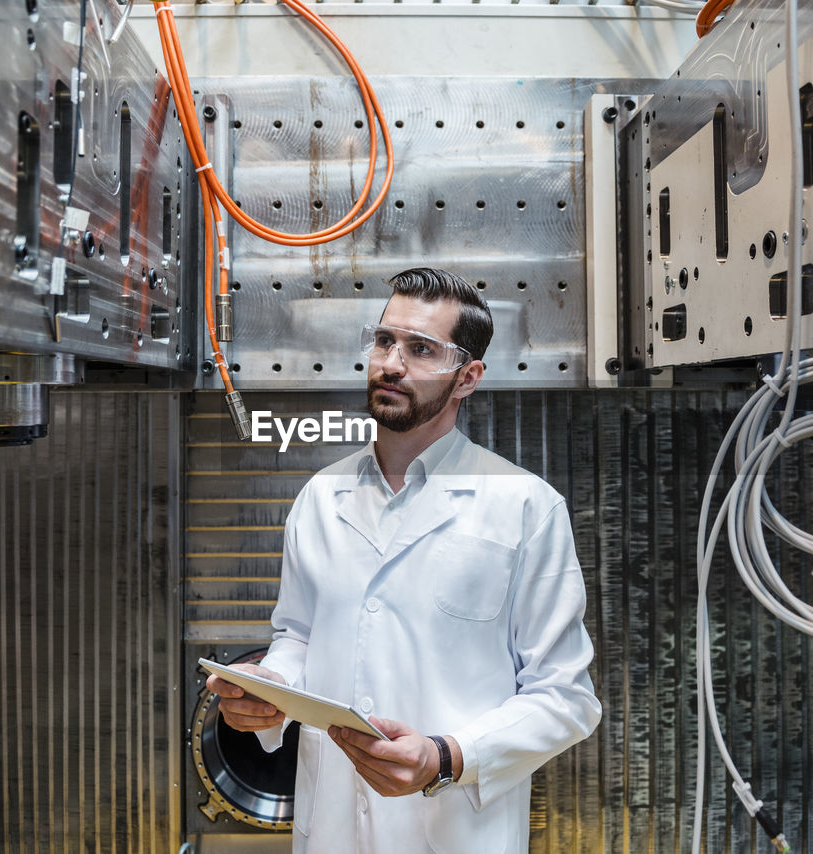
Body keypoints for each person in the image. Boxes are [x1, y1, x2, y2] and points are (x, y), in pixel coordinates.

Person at [206, 267, 601, 853]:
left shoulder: (524, 506)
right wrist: (271, 689)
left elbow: (566, 697)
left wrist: (444, 757)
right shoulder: (320, 496)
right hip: (331, 829)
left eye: (421, 350)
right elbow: (298, 638)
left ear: (467, 379)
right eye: (385, 340)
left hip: (455, 832)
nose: (391, 363)